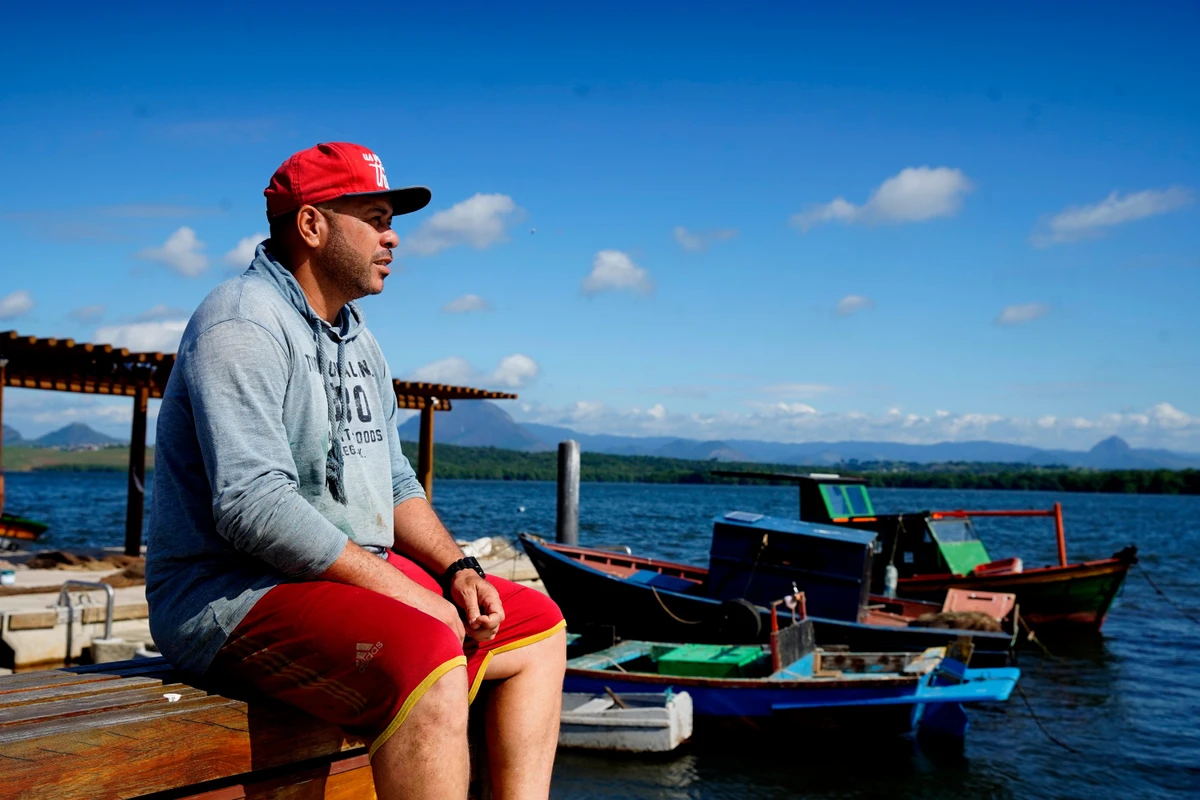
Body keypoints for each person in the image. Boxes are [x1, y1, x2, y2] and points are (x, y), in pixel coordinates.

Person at [145, 142, 566, 800]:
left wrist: (457, 571)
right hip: (226, 596)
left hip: (330, 580)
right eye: (374, 217)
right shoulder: (241, 322)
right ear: (312, 225)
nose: (392, 237)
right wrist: (409, 597)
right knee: (427, 653)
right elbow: (252, 506)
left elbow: (393, 481)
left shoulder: (358, 338)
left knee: (538, 627)